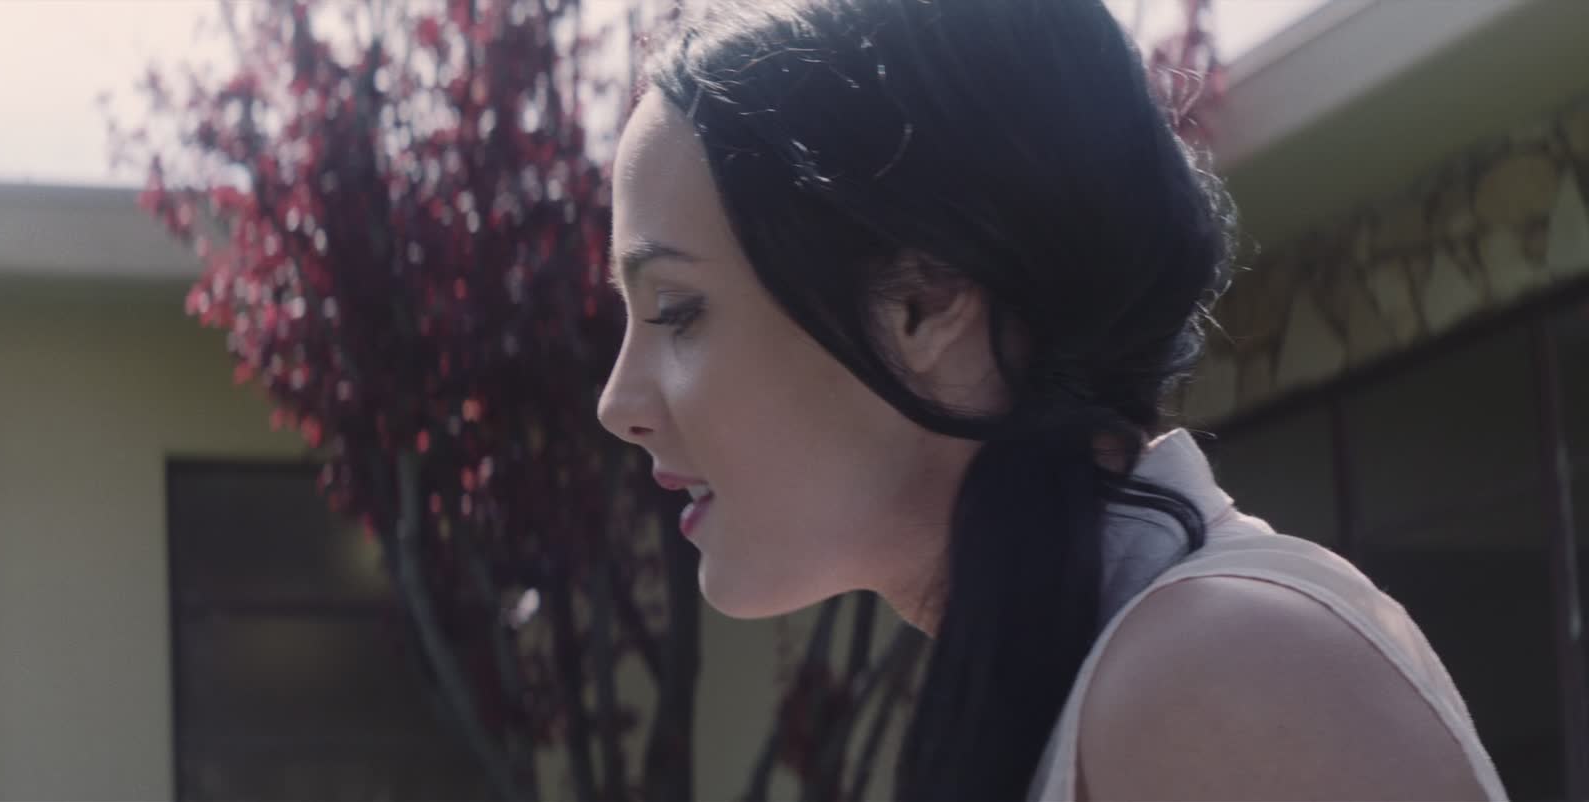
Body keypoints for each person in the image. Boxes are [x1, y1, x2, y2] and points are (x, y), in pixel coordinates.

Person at [594, 0, 1507, 799]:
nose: (617, 403)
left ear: (927, 301)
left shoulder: (1223, 672)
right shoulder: (1106, 672)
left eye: (677, 311)